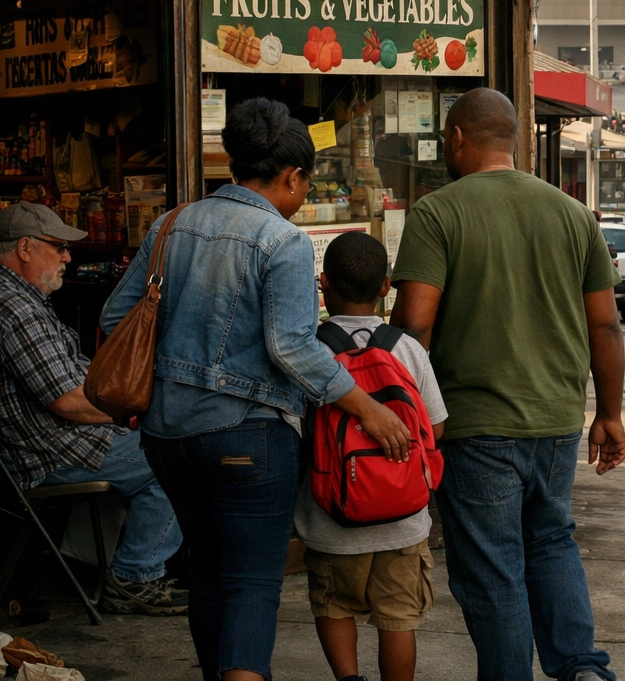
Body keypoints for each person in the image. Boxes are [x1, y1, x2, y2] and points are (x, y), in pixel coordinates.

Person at [101, 98, 410, 681]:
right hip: (248, 438)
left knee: (208, 571)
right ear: (291, 177)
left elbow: (118, 318)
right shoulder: (282, 240)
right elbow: (292, 346)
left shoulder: (172, 225)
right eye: (305, 184)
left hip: (167, 435)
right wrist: (367, 408)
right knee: (251, 582)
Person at [389, 88, 625, 681]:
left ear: (457, 138)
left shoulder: (437, 212)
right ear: (513, 138)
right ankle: (581, 668)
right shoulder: (573, 214)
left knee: (493, 571)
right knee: (550, 541)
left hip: (474, 427)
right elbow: (605, 324)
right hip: (556, 422)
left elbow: (413, 325)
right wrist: (610, 414)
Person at [0, 201, 187, 615]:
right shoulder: (14, 308)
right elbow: (70, 401)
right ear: (24, 248)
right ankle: (134, 576)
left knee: (170, 448)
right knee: (178, 460)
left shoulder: (14, 295)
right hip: (52, 451)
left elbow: (76, 379)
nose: (67, 257)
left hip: (55, 441)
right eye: (58, 247)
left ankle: (131, 566)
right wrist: (132, 410)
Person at [297, 233, 447, 681]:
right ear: (386, 287)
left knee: (333, 603)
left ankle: (349, 679)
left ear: (323, 284)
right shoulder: (407, 348)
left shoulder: (313, 352)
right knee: (398, 618)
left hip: (331, 518)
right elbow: (435, 427)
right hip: (402, 520)